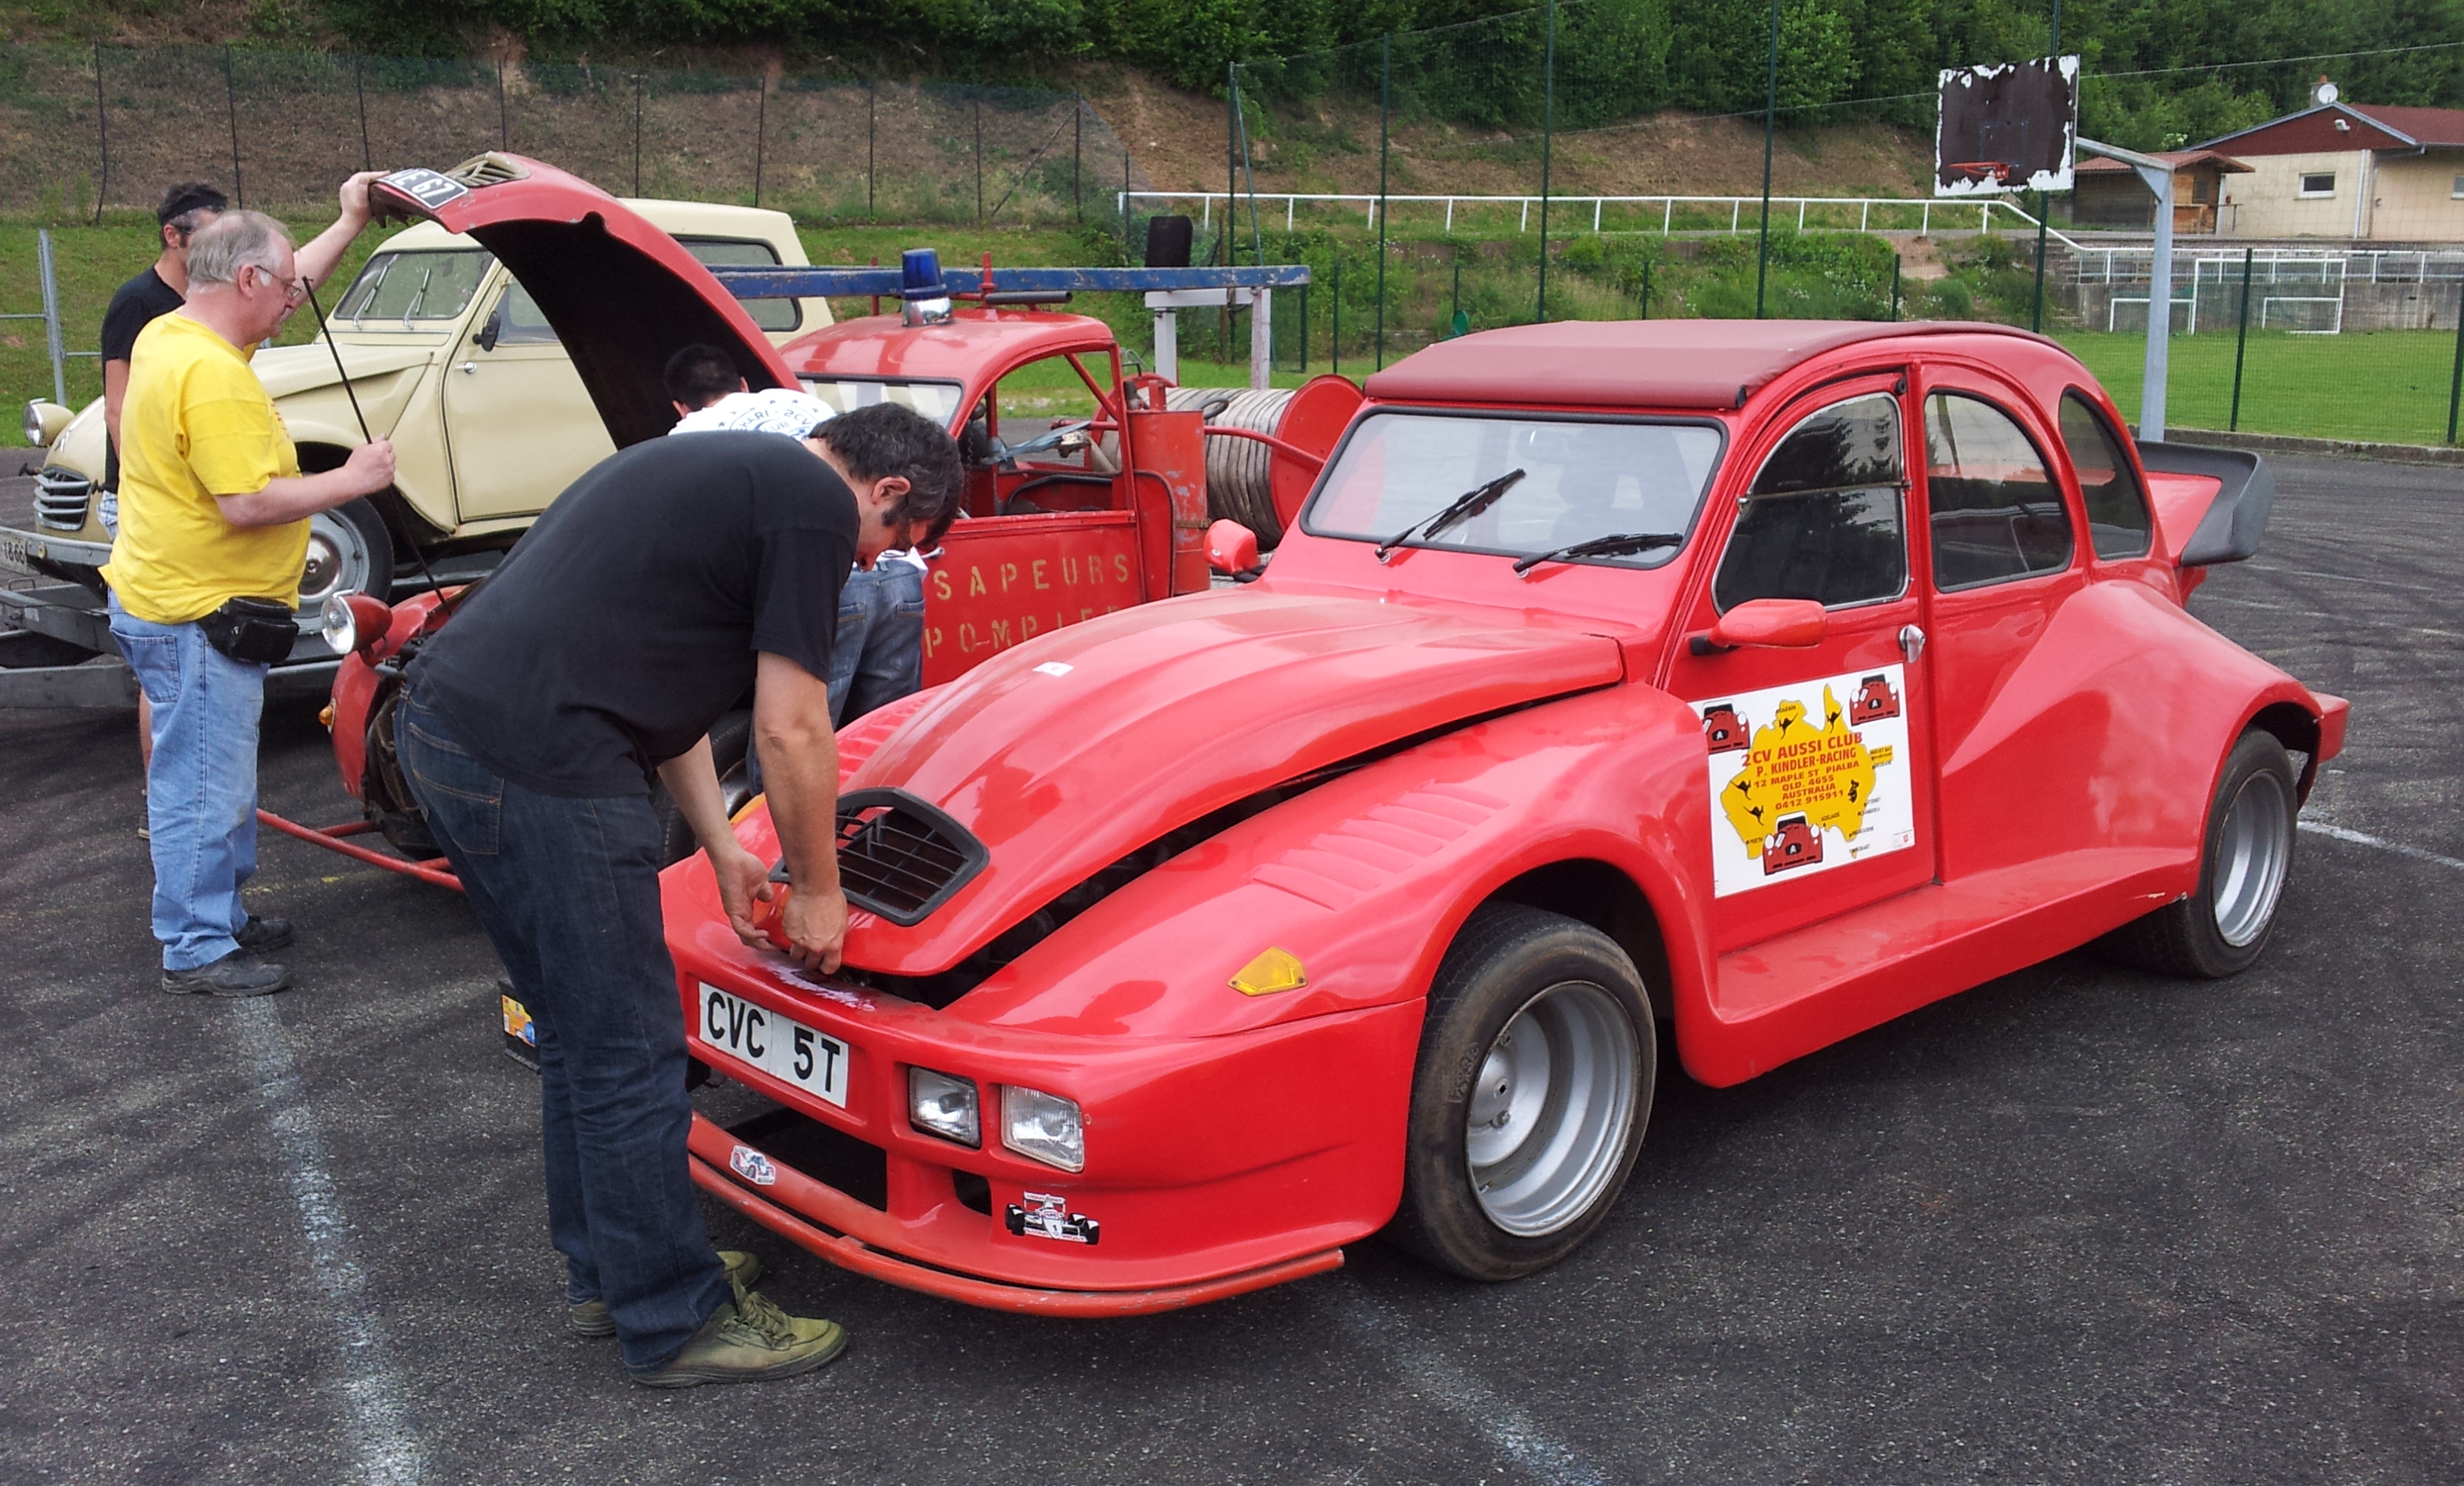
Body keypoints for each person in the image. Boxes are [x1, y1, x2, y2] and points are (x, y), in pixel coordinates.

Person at [394, 402, 962, 1387]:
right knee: (630, 1049)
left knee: (579, 1034)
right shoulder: (812, 511)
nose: (878, 564)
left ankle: (614, 1271)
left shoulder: (727, 473)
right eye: (898, 541)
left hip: (449, 732)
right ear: (888, 490)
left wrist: (723, 846)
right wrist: (817, 890)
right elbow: (792, 727)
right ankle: (675, 1317)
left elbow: (665, 693)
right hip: (545, 765)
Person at [103, 183, 397, 998]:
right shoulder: (213, 375)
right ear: (245, 281)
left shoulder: (173, 332)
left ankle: (217, 916)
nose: (293, 301)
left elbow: (285, 279)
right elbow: (247, 503)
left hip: (170, 597)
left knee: (212, 775)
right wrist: (355, 478)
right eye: (282, 286)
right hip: (201, 613)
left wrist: (350, 222)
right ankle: (196, 944)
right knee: (203, 784)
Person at [662, 344, 932, 726]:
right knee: (885, 733)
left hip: (829, 575)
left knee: (799, 731)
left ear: (680, 407)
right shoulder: (799, 402)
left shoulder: (687, 435)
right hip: (901, 572)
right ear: (743, 384)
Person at [100, 180, 226, 800]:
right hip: (145, 499)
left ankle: (190, 798)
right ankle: (165, 800)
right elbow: (117, 408)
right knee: (166, 662)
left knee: (193, 663)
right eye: (209, 235)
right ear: (172, 236)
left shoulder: (210, 300)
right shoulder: (137, 302)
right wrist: (146, 488)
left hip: (187, 503)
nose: (221, 247)